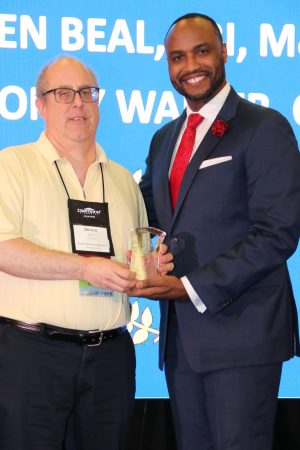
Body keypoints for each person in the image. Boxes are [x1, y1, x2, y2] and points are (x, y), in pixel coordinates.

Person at [132, 13, 300, 450]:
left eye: (201, 51)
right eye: (177, 57)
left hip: (242, 333)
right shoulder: (164, 139)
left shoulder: (264, 127)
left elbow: (277, 233)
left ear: (224, 51)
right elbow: (143, 212)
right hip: (182, 343)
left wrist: (189, 285)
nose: (190, 66)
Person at [0, 56, 173, 450]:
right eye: (63, 94)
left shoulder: (122, 180)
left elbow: (136, 262)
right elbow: (3, 248)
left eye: (87, 93)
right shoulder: (12, 165)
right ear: (40, 105)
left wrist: (147, 269)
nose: (78, 103)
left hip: (110, 359)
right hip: (32, 355)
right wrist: (85, 267)